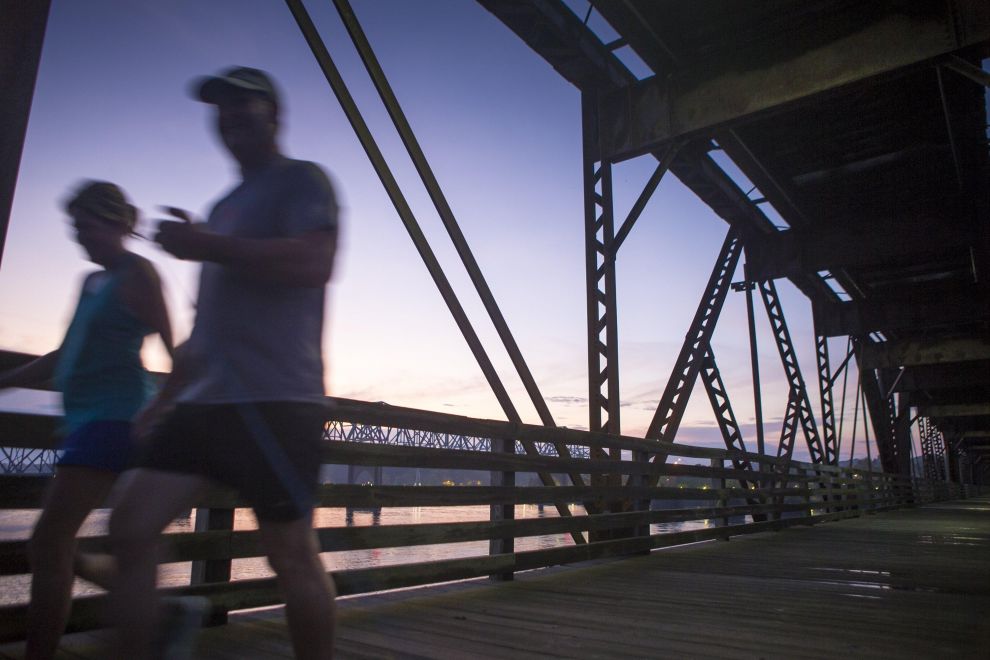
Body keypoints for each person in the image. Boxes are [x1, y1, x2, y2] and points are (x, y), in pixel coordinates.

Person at [108, 66, 339, 660]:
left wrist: (207, 245)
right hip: (202, 403)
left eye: (245, 103)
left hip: (277, 400)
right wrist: (165, 398)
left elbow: (315, 262)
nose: (231, 114)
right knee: (130, 528)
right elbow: (209, 326)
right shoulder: (223, 205)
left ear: (275, 114)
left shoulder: (302, 180)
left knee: (290, 554)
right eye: (222, 107)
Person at [0, 181, 173, 660]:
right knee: (55, 546)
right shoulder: (91, 282)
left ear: (118, 223)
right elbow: (64, 354)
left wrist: (161, 407)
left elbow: (173, 348)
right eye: (75, 228)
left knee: (48, 541)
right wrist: (8, 377)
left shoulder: (139, 273)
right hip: (85, 423)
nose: (80, 237)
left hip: (117, 420)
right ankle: (154, 605)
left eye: (87, 226)